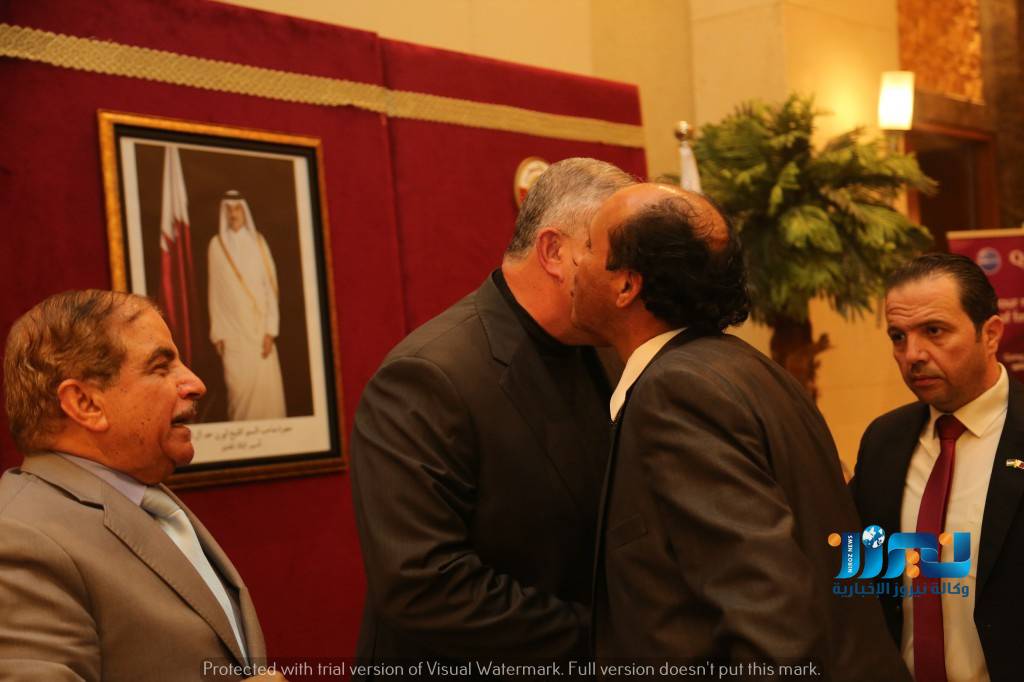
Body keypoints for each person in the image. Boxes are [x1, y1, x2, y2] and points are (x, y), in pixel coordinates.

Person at [572, 183, 909, 680]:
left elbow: (767, 608)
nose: (574, 262)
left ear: (627, 286)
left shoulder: (676, 392)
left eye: (588, 247)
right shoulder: (749, 368)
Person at [349, 158, 634, 671]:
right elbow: (423, 586)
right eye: (616, 259)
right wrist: (607, 642)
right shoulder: (425, 377)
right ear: (554, 251)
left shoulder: (609, 351)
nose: (628, 282)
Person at [0, 290, 283, 681]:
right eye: (161, 367)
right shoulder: (18, 538)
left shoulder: (148, 499)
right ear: (85, 404)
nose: (196, 384)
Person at [851, 253, 1020, 682]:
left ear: (990, 334)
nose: (912, 355)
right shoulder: (883, 442)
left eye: (934, 331)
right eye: (898, 336)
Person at [207, 190, 286, 421]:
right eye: (229, 210)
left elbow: (270, 289)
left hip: (259, 332)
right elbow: (215, 292)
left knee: (266, 396)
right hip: (233, 335)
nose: (233, 214)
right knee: (237, 394)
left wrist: (270, 330)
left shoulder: (258, 243)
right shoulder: (216, 245)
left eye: (237, 209)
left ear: (245, 211)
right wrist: (218, 333)